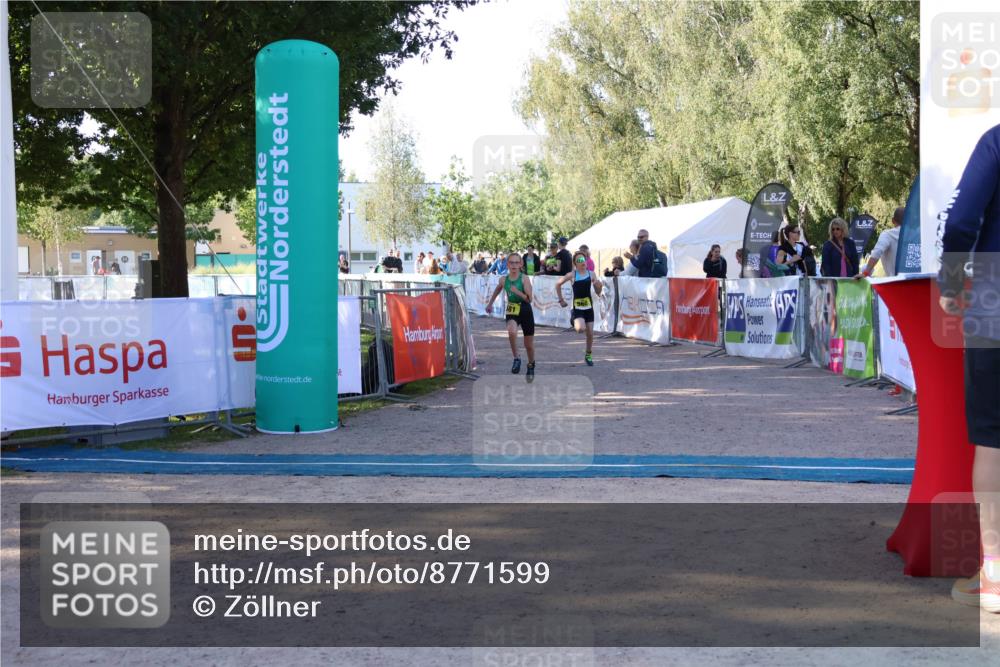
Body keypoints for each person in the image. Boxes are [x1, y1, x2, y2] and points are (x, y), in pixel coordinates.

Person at [936, 124, 1000, 615]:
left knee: (993, 438)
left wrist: (952, 281)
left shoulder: (996, 140)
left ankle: (995, 573)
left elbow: (960, 221)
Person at [485, 253, 536, 379]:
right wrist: (490, 303)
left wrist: (517, 291)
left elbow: (529, 299)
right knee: (511, 331)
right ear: (507, 264)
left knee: (528, 345)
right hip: (512, 309)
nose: (514, 265)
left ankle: (531, 364)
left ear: (521, 264)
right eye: (511, 262)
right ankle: (516, 358)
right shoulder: (504, 280)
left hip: (525, 309)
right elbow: (498, 289)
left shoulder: (524, 279)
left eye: (516, 262)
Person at [556, 251, 604, 366]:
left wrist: (599, 287)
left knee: (590, 333)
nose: (583, 262)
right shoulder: (572, 275)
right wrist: (561, 300)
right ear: (575, 263)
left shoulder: (591, 274)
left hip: (589, 307)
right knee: (580, 329)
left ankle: (588, 354)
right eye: (579, 260)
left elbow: (598, 292)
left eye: (584, 260)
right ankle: (573, 318)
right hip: (577, 308)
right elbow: (558, 284)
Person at [858, 207, 904, 278]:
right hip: (918, 280)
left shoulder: (887, 235)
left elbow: (876, 253)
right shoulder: (917, 235)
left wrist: (865, 273)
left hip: (895, 281)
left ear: (893, 220)